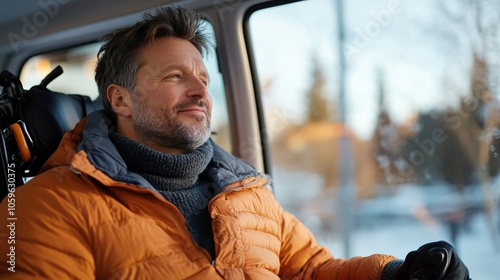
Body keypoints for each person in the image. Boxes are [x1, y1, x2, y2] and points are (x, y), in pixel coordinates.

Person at [0, 6, 469, 279]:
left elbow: (311, 270)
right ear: (120, 99)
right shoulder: (45, 208)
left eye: (203, 78)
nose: (201, 91)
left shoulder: (246, 193)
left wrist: (395, 275)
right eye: (174, 76)